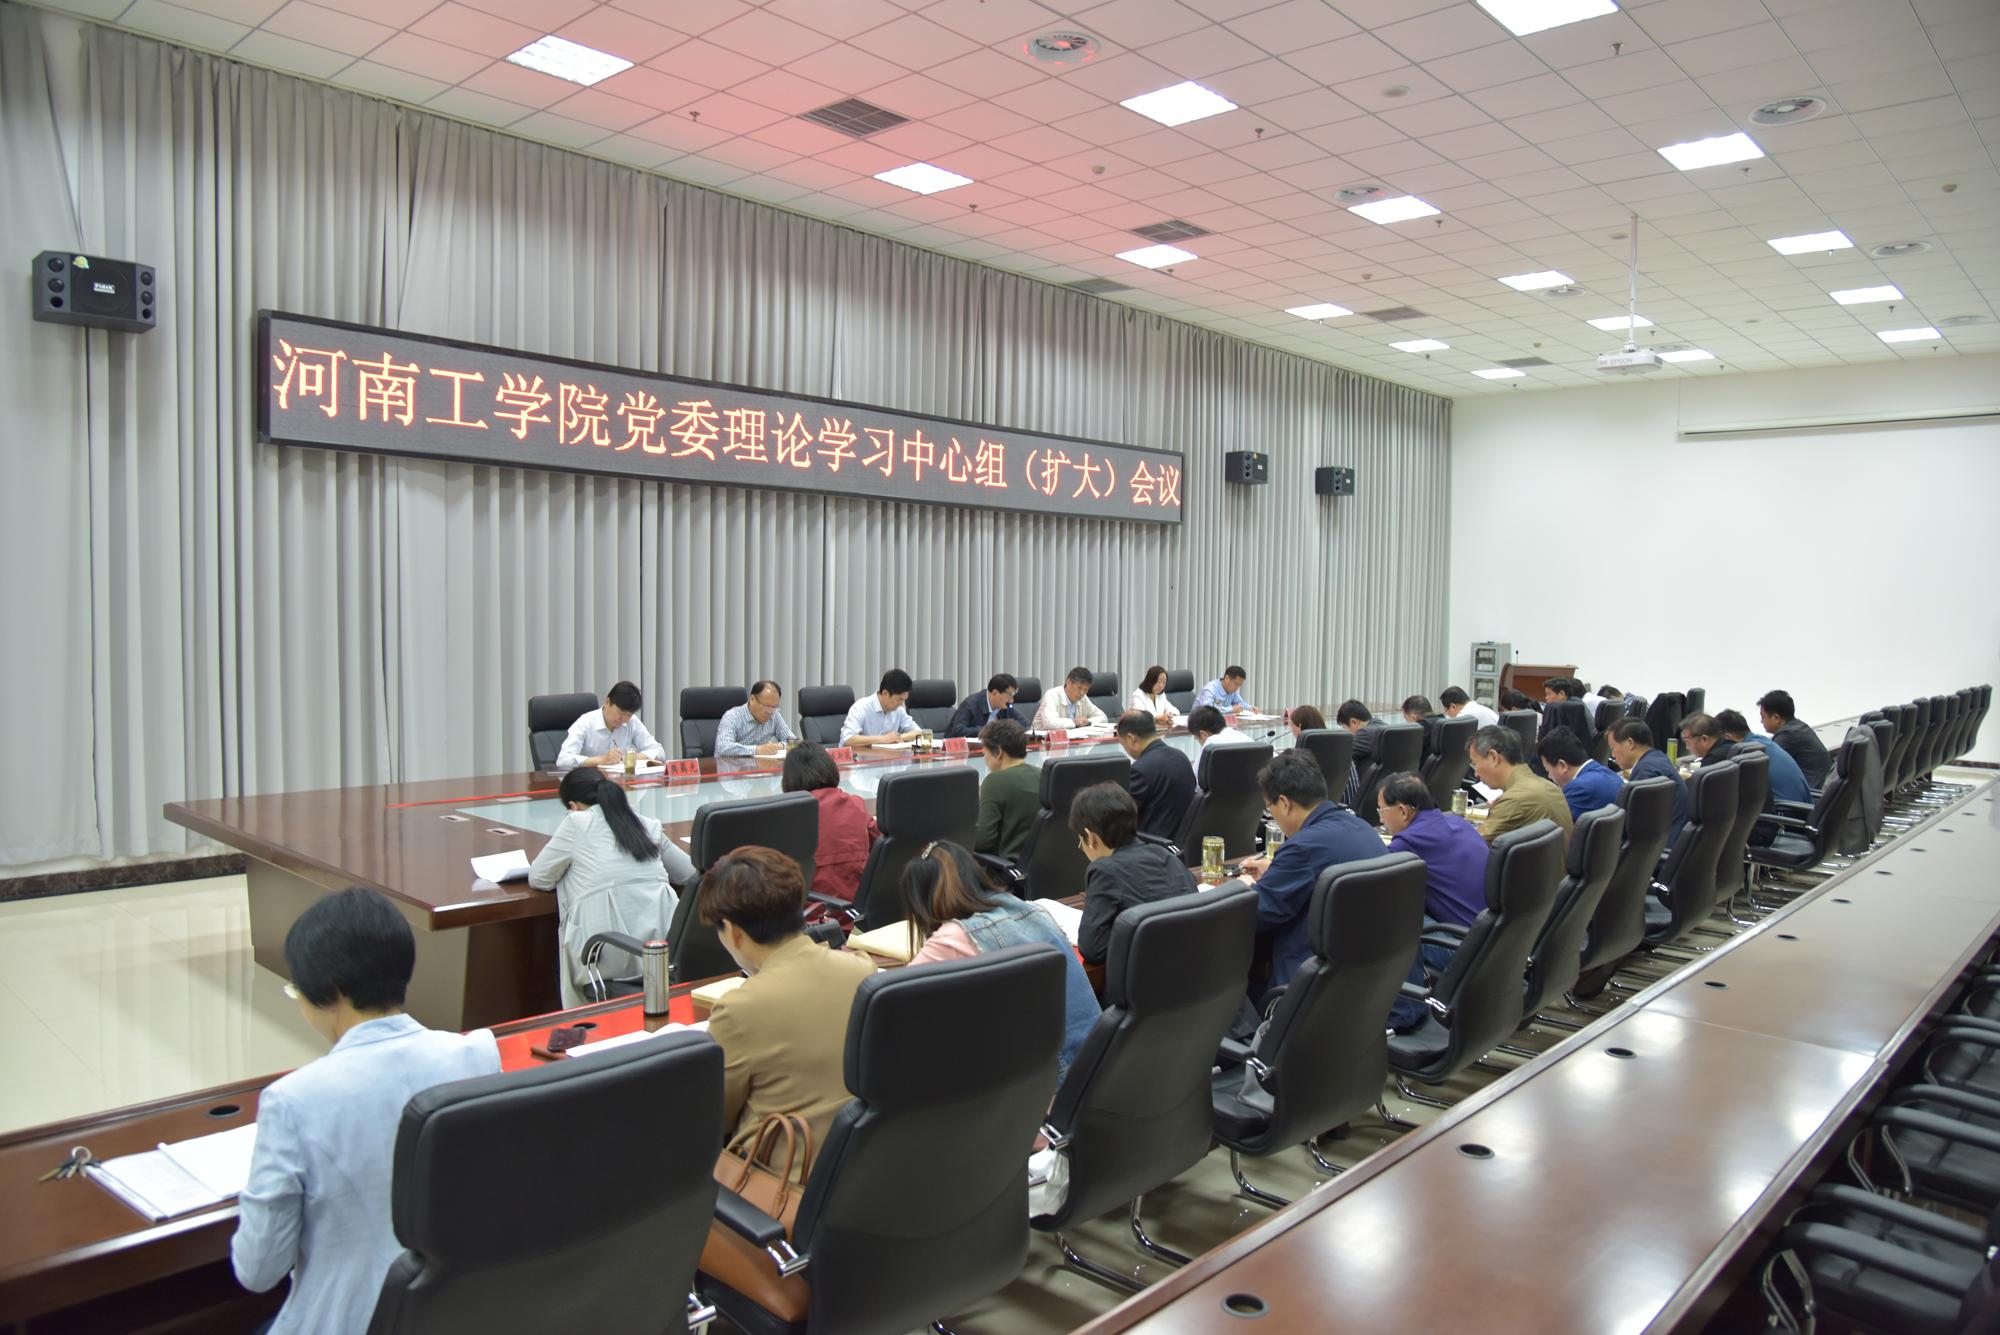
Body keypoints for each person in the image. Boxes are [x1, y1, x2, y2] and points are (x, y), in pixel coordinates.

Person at [232, 888, 501, 1333]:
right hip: (453, 1314)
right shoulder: (475, 1054)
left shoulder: (293, 1100)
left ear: (330, 993)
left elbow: (257, 1271)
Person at [699, 846, 877, 1147]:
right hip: (861, 1159)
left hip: (780, 1169)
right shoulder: (862, 970)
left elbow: (713, 1118)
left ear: (732, 931)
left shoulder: (739, 1009)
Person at [901, 841, 1098, 1079]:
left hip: (1054, 1084)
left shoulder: (954, 936)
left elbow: (897, 999)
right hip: (1098, 1064)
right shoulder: (1032, 910)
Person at [1216, 751, 1382, 996]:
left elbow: (1258, 914)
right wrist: (1277, 871)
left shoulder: (1303, 847)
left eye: (1269, 807)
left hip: (1309, 988)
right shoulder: (1361, 826)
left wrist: (1243, 886)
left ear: (1284, 803)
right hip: (1368, 980)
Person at [528, 767, 697, 1007]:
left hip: (607, 958)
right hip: (663, 955)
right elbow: (689, 873)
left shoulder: (576, 822)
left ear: (573, 806)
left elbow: (539, 877)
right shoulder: (646, 824)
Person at [1377, 772, 1491, 1030]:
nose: (1381, 819)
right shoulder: (1459, 822)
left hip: (1462, 950)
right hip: (1494, 941)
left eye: (1382, 811)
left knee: (1391, 917)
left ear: (1403, 811)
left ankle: (1405, 1012)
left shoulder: (1407, 844)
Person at [1071, 782, 1198, 966]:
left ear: (1090, 837)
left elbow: (1093, 950)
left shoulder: (1104, 870)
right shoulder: (1166, 855)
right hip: (1191, 969)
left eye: (1080, 842)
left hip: (1147, 977)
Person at [780, 741, 878, 905]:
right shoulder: (855, 804)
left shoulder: (787, 815)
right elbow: (880, 845)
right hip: (857, 911)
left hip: (808, 913)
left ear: (789, 779)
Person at [1468, 724, 1573, 848]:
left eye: (1475, 763)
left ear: (1493, 757)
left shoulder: (1514, 800)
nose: (1476, 774)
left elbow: (1471, 848)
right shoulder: (1551, 787)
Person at [1607, 719, 1689, 844]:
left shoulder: (1645, 773)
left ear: (1630, 743)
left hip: (1664, 846)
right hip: (1674, 839)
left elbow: (1629, 828)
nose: (1612, 754)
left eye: (1613, 748)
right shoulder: (1659, 758)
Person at [1117, 710, 1195, 839]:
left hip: (1152, 843)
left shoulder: (1140, 769)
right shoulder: (1181, 757)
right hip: (1182, 840)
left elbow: (1121, 814)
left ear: (1131, 738)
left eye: (1123, 744)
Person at [557, 680, 666, 769]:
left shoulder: (632, 722)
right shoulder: (585, 723)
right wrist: (601, 760)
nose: (623, 719)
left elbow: (659, 752)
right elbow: (563, 760)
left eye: (628, 715)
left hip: (622, 782)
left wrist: (631, 757)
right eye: (620, 712)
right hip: (590, 782)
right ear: (607, 702)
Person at [975, 717, 1040, 859]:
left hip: (1006, 867)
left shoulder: (994, 782)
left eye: (985, 754)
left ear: (998, 752)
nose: (985, 760)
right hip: (1044, 865)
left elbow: (982, 841)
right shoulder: (1043, 775)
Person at [1718, 709, 1813, 806]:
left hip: (1785, 809)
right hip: (1801, 805)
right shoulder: (1761, 741)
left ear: (1728, 737)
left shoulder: (1747, 752)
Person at [1536, 726, 1622, 821]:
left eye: (1548, 770)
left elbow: (1556, 825)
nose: (1549, 776)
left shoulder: (1577, 789)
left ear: (1562, 766)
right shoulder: (1608, 773)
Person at [1758, 689, 1832, 789]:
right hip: (1820, 784)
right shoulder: (1798, 726)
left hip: (1812, 791)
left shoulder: (1787, 735)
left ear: (1776, 718)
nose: (1761, 721)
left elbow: (1763, 764)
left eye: (1763, 717)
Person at [841, 668, 923, 747]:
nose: (901, 704)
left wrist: (898, 737)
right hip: (864, 756)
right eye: (899, 699)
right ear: (885, 693)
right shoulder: (861, 707)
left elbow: (919, 733)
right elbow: (847, 739)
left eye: (904, 700)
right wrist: (883, 739)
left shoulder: (899, 711)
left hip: (888, 755)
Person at [715, 679, 799, 757]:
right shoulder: (733, 716)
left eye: (774, 707)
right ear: (752, 699)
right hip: (733, 766)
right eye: (766, 706)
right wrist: (757, 750)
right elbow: (723, 748)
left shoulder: (775, 716)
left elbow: (794, 743)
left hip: (761, 766)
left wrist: (780, 746)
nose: (770, 712)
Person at [945, 673, 1025, 739]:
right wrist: (988, 730)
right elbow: (958, 731)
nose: (1012, 700)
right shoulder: (970, 704)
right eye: (1010, 695)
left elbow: (1024, 725)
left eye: (1013, 695)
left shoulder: (1005, 706)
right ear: (995, 693)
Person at [1033, 666, 1108, 731]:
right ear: (1069, 682)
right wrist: (1075, 722)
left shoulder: (1083, 698)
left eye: (1085, 690)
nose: (1082, 693)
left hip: (1072, 740)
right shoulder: (1052, 695)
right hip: (1041, 740)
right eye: (1079, 688)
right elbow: (1050, 723)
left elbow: (1103, 717)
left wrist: (1087, 722)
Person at [1129, 665, 1180, 729]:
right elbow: (1139, 718)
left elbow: (1174, 710)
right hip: (1141, 731)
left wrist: (1170, 715)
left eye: (1164, 682)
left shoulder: (1161, 695)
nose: (1161, 686)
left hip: (1158, 730)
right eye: (1158, 682)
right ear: (1150, 681)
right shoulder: (1138, 695)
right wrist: (1158, 718)